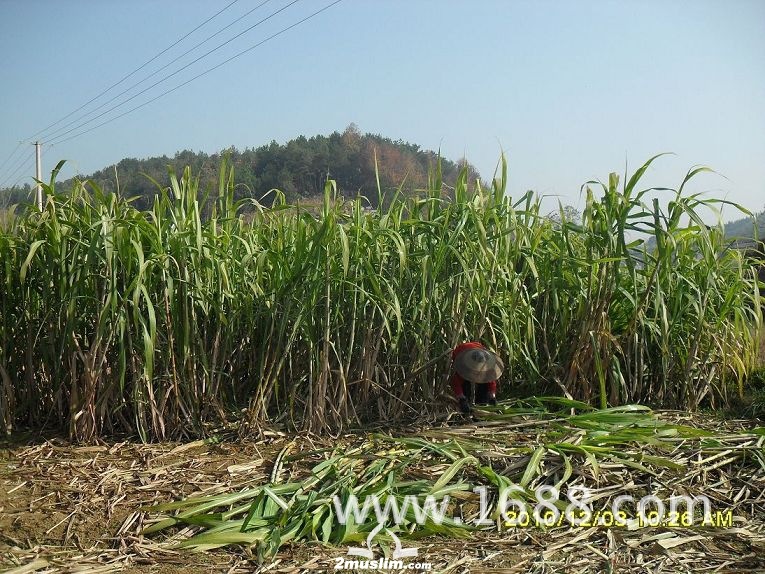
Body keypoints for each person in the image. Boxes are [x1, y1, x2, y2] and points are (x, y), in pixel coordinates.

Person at [450, 341, 503, 413]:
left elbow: (490, 380)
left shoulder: (486, 366)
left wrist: (492, 396)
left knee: (483, 384)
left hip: (479, 349)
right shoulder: (464, 365)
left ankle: (481, 406)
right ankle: (467, 409)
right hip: (462, 353)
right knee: (466, 384)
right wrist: (462, 399)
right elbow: (456, 383)